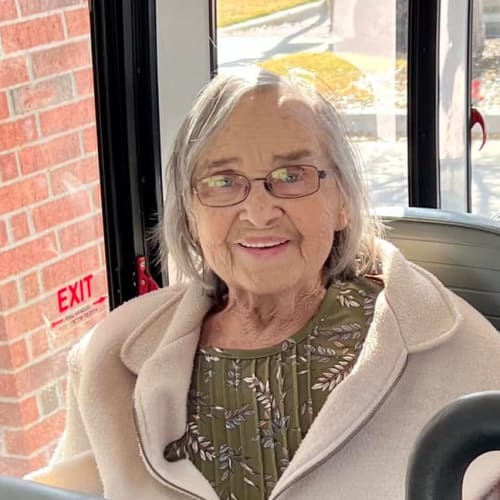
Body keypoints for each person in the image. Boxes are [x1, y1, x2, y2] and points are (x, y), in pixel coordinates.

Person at [27, 68, 500, 500]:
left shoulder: (461, 349)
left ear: (343, 202)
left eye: (291, 176)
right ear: (191, 216)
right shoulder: (108, 360)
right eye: (222, 181)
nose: (258, 212)